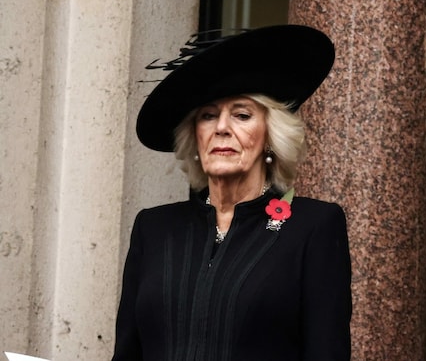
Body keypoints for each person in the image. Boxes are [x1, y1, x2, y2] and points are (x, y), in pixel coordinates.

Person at [112, 25, 352, 361]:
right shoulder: (154, 228)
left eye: (241, 115)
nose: (222, 127)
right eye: (208, 116)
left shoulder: (313, 226)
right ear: (195, 137)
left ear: (269, 135)